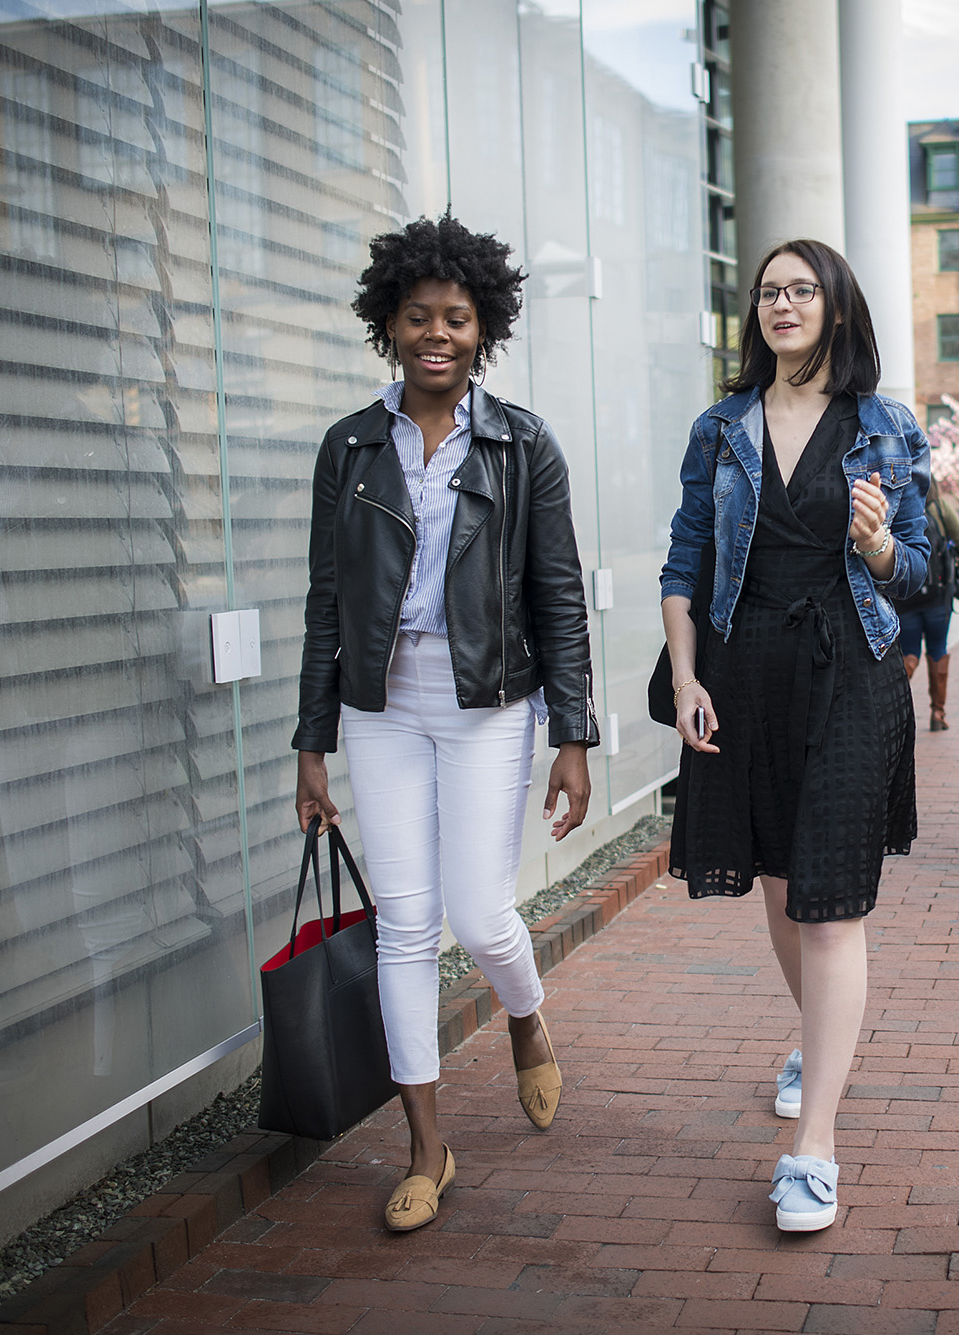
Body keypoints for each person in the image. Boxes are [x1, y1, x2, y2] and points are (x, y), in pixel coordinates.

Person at [292, 216, 598, 1233]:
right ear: (387, 323)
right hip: (380, 706)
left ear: (483, 328)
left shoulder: (521, 444)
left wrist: (572, 736)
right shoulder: (350, 447)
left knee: (478, 915)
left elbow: (557, 593)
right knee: (406, 929)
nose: (437, 334)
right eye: (416, 317)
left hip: (486, 706)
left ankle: (524, 1013)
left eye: (456, 318)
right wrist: (311, 743)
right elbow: (326, 601)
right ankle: (427, 1146)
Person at [660, 238, 930, 1234]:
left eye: (800, 290)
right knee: (776, 887)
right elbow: (683, 561)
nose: (781, 304)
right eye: (768, 291)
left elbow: (922, 577)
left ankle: (813, 1145)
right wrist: (686, 675)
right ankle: (815, 1038)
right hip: (742, 675)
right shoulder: (719, 428)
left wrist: (876, 544)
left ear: (834, 309)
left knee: (828, 907)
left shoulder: (883, 427)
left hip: (851, 676)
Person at [898, 491, 959, 730]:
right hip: (937, 595)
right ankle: (938, 713)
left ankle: (896, 710)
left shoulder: (896, 500)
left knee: (908, 653)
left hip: (905, 597)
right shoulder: (939, 507)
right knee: (938, 650)